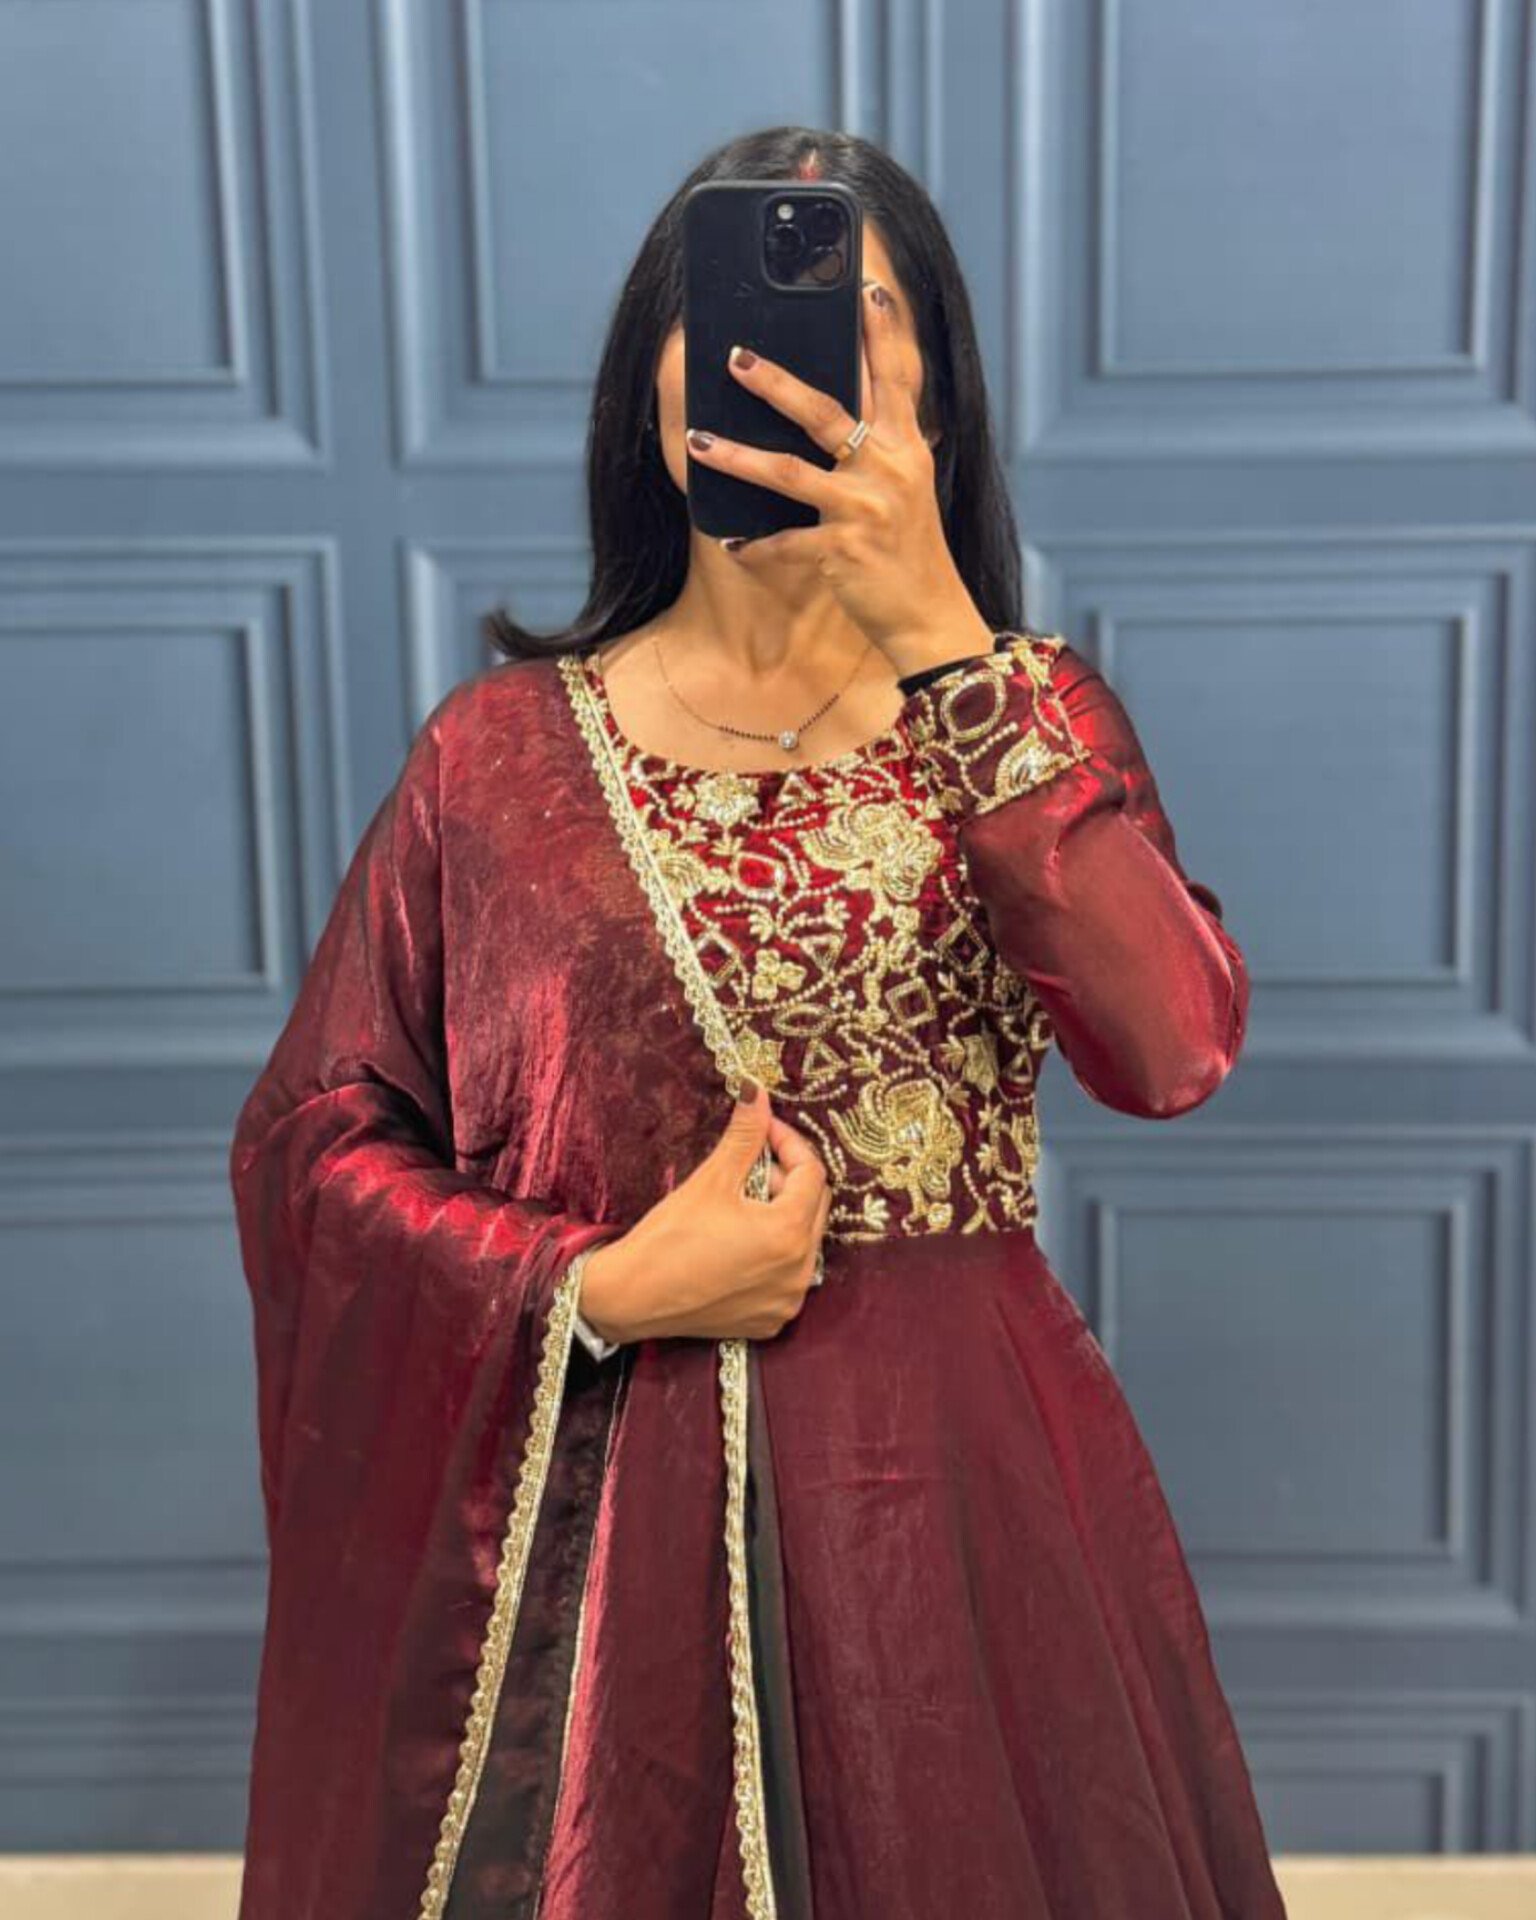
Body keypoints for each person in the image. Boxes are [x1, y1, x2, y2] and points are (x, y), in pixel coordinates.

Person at [229, 126, 1288, 1920]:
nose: (786, 358)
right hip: (606, 1537)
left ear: (931, 395)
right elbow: (313, 1143)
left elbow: (1173, 1043)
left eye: (859, 315)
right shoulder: (496, 763)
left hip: (954, 1514)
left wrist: (946, 644)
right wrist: (591, 1285)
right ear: (650, 378)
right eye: (728, 313)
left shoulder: (1027, 715)